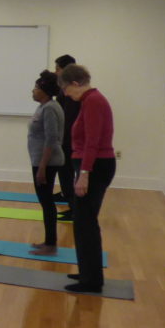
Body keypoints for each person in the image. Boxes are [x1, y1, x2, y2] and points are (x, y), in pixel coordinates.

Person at [59, 64, 116, 293]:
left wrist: (84, 174)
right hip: (93, 166)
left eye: (65, 88)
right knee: (83, 223)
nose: (64, 94)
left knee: (85, 223)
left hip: (95, 168)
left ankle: (92, 281)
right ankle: (88, 272)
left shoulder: (93, 101)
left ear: (75, 83)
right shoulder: (90, 100)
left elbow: (93, 141)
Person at [27, 71, 65, 256]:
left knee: (47, 202)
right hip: (42, 161)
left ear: (44, 91)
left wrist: (42, 167)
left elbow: (51, 139)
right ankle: (48, 242)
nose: (33, 91)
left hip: (47, 163)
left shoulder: (50, 108)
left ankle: (51, 244)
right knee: (46, 201)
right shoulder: (44, 106)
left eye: (36, 87)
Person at [54, 54, 80, 221]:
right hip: (65, 136)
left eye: (57, 68)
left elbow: (69, 116)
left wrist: (62, 137)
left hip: (69, 138)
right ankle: (66, 195)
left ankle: (74, 208)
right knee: (64, 171)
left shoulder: (71, 90)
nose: (55, 72)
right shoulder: (64, 88)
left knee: (67, 171)